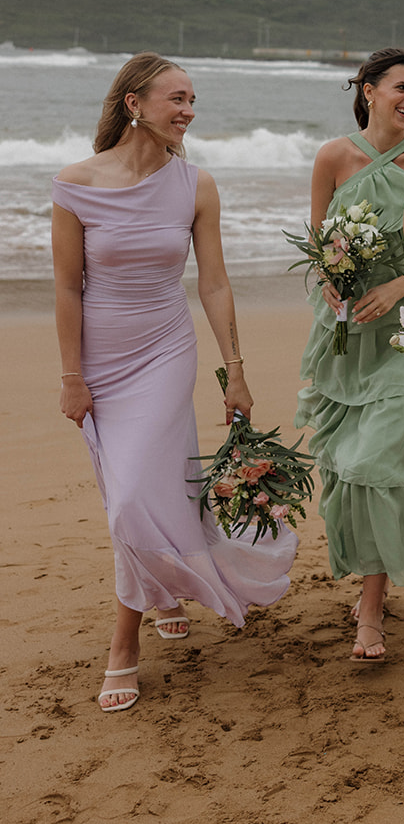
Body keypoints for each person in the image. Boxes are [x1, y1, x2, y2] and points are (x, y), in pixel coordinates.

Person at [52, 53, 295, 714]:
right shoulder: (75, 183)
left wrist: (235, 370)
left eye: (193, 99)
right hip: (101, 357)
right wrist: (72, 376)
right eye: (176, 98)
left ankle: (124, 641)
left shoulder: (196, 185)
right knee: (133, 493)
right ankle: (159, 593)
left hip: (164, 351)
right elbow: (67, 289)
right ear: (134, 103)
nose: (188, 109)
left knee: (135, 496)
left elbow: (212, 282)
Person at [296, 48, 404, 662]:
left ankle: (369, 608)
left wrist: (400, 283)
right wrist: (327, 274)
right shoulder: (333, 156)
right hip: (342, 331)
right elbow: (317, 237)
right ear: (367, 90)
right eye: (402, 88)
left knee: (379, 457)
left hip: (403, 334)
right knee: (344, 468)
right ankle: (373, 582)